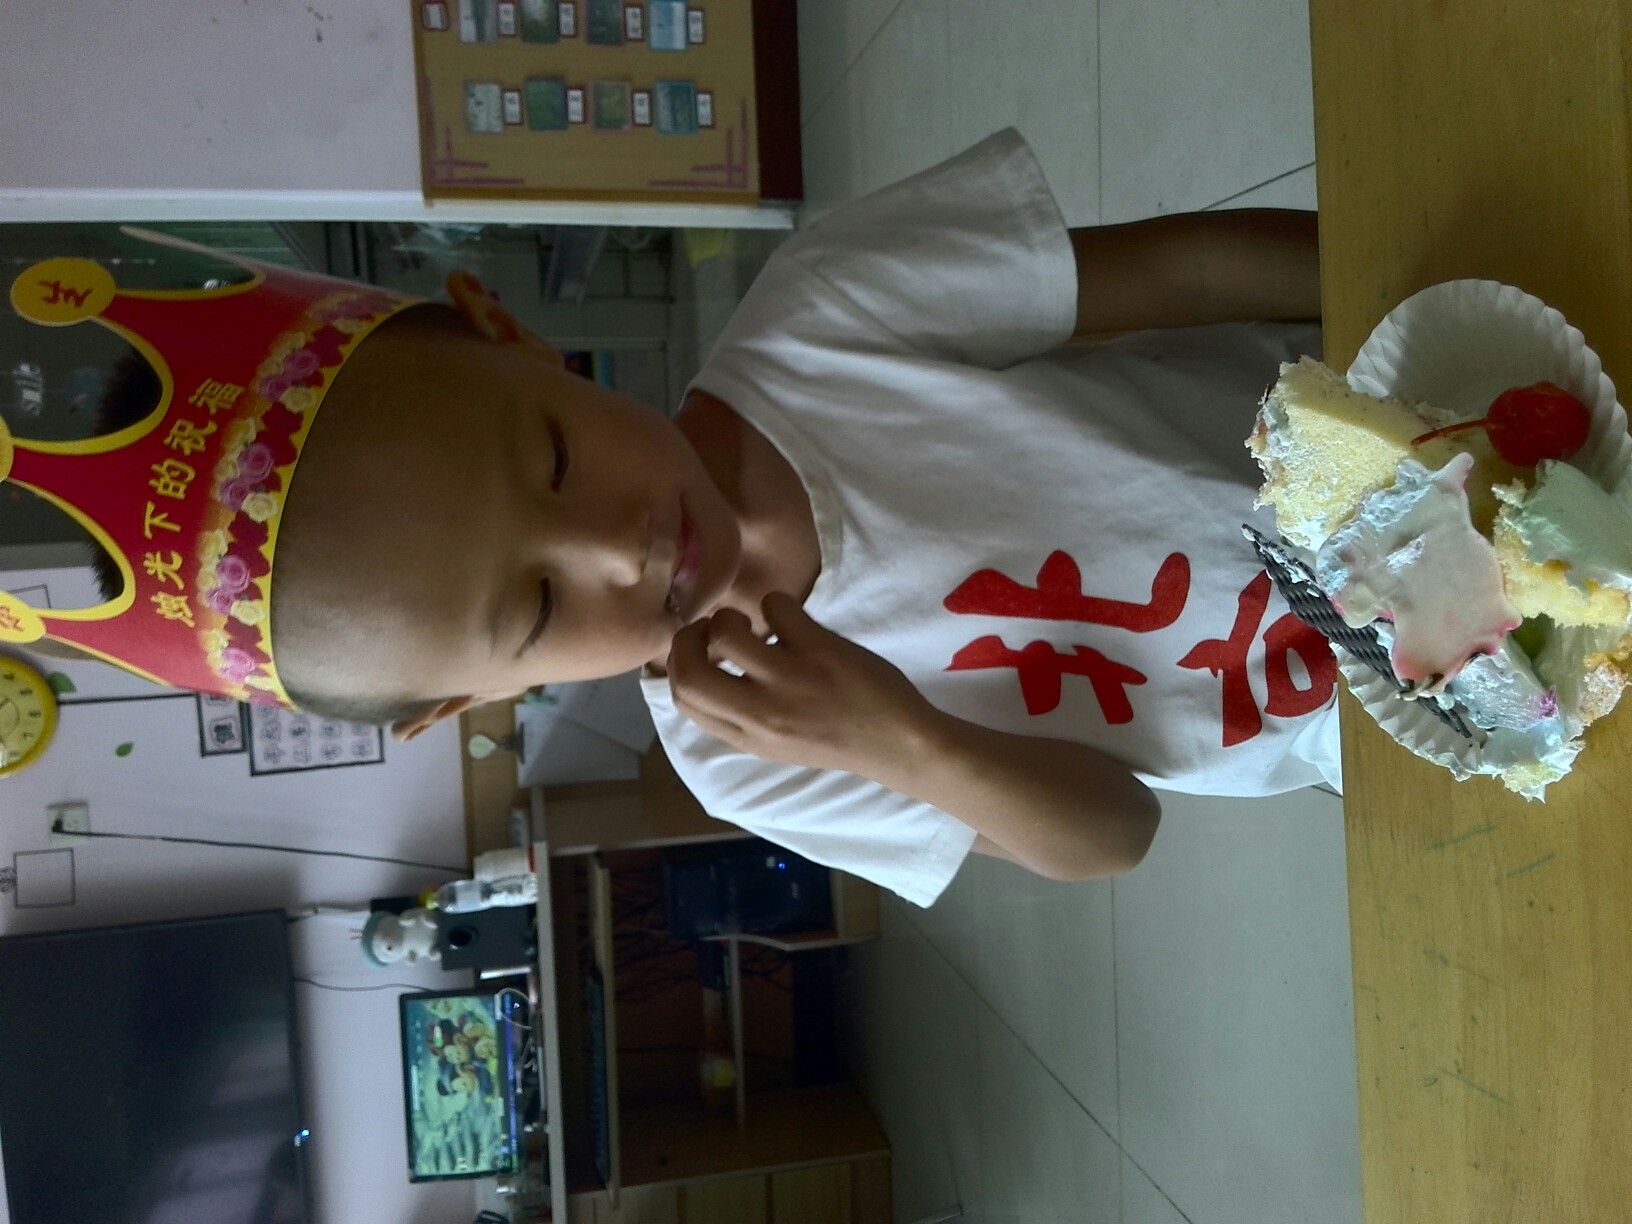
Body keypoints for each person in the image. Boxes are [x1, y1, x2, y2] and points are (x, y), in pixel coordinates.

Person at [2, 130, 1337, 907]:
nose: (618, 547)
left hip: (1401, 410)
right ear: (470, 702)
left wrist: (1404, 293)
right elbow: (1114, 835)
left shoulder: (830, 314)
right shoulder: (746, 763)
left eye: (552, 456)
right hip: (1367, 714)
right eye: (536, 607)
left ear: (512, 334)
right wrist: (905, 742)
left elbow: (1192, 269)